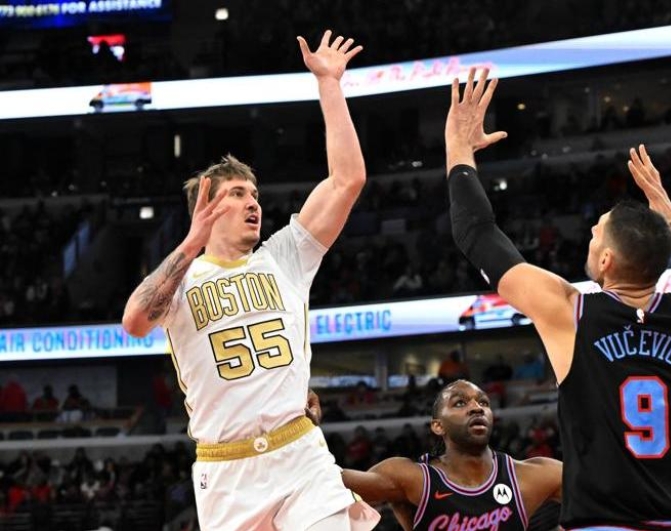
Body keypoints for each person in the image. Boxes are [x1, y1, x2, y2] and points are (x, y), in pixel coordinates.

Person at [444, 67, 671, 530]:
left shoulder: (570, 312)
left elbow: (476, 232)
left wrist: (459, 149)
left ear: (606, 260)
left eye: (595, 235)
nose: (589, 238)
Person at [122, 30, 378, 531]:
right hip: (226, 469)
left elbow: (347, 181)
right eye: (238, 193)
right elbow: (134, 321)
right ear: (206, 207)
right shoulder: (180, 279)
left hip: (299, 454)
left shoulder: (285, 255)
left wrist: (329, 84)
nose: (253, 202)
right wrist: (190, 244)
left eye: (254, 193)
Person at [309, 380, 562, 531]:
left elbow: (589, 496)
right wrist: (302, 424)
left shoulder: (531, 475)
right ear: (438, 426)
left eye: (483, 403)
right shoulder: (412, 478)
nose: (476, 408)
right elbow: (324, 483)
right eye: (460, 403)